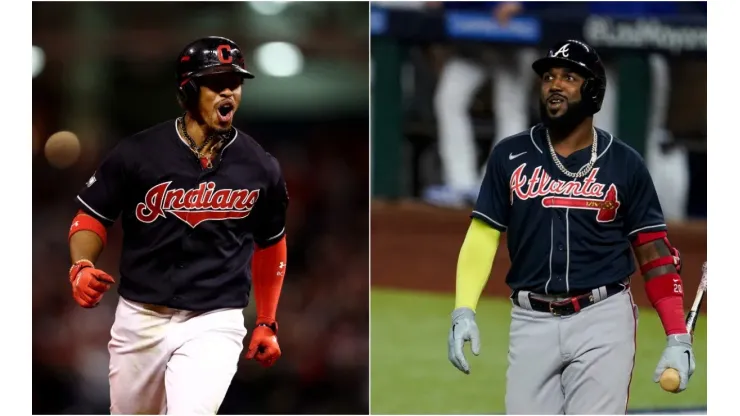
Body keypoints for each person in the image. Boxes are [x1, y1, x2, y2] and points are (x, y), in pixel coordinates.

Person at [446, 39, 695, 414]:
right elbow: (482, 237)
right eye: (548, 77)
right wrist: (464, 309)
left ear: (593, 89)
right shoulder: (509, 156)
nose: (554, 85)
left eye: (569, 77)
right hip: (531, 321)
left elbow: (654, 251)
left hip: (602, 320)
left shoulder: (625, 164)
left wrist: (677, 335)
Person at [67, 36, 289, 414]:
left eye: (234, 83)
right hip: (140, 317)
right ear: (187, 91)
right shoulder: (138, 153)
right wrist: (81, 265)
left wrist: (267, 320)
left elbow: (271, 243)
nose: (228, 93)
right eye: (215, 83)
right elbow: (91, 216)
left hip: (215, 320)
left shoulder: (260, 166)